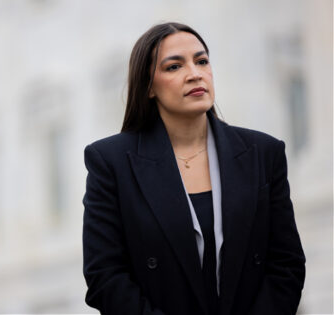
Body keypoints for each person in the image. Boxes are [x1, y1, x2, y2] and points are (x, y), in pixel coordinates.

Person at [82, 22, 305, 315]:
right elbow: (106, 276)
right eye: (174, 67)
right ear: (149, 86)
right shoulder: (110, 161)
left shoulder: (263, 153)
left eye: (201, 61)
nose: (195, 73)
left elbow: (286, 265)